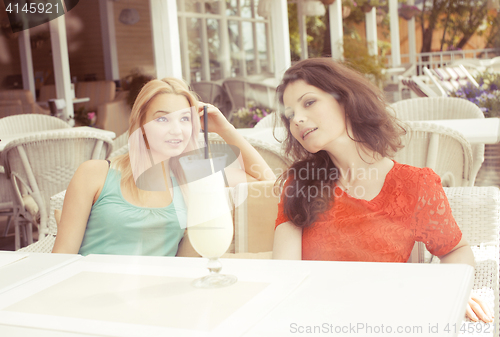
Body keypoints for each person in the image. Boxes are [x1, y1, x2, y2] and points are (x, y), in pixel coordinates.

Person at [271, 58, 493, 323]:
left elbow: (455, 250)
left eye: (308, 102)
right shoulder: (300, 183)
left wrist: (454, 288)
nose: (297, 119)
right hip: (315, 321)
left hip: (387, 319)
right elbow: (285, 277)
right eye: (289, 114)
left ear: (345, 98)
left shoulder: (415, 185)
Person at [52, 77, 275, 256]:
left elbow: (267, 182)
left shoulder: (192, 175)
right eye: (162, 119)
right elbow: (61, 256)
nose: (176, 130)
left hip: (157, 299)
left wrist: (225, 128)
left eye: (184, 119)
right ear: (141, 123)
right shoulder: (94, 173)